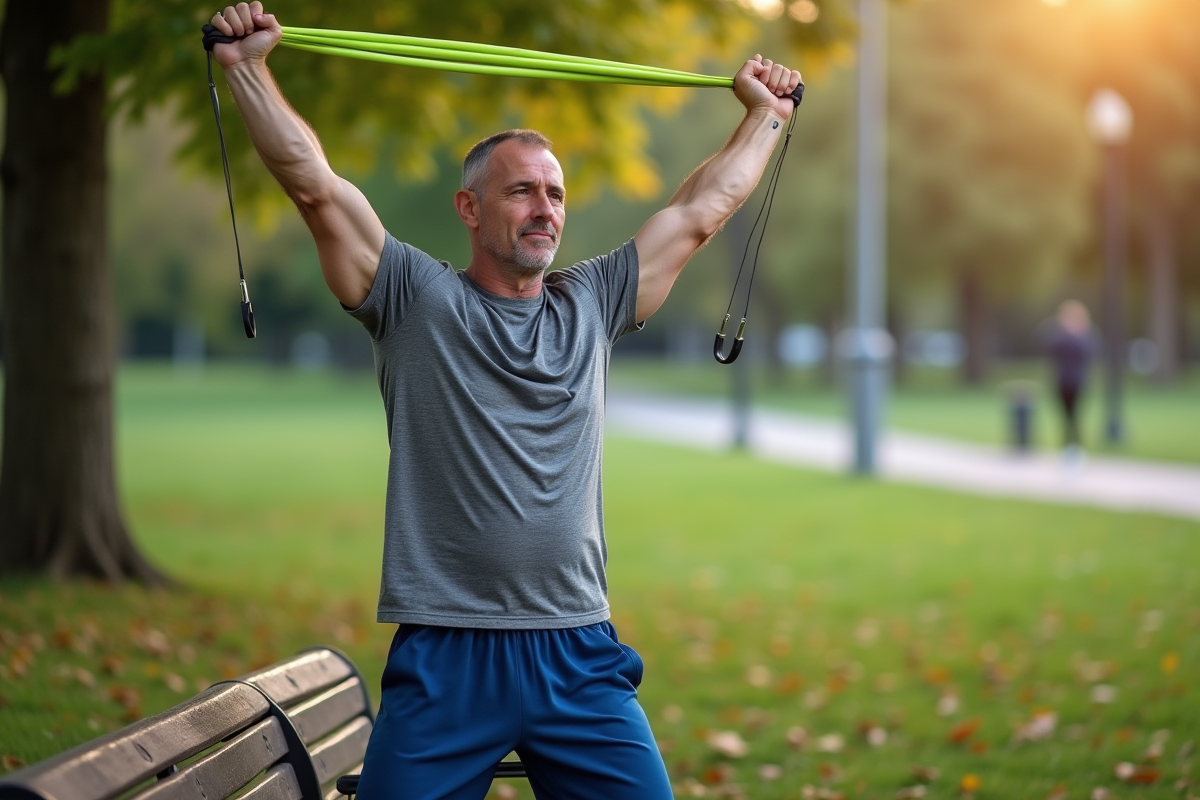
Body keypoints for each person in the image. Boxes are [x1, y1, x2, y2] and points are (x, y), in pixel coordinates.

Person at [208, 4, 803, 798]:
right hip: (449, 653)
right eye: (521, 191)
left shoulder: (592, 301)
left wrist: (766, 117)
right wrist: (247, 69)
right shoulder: (414, 298)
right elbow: (316, 188)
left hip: (578, 654)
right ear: (470, 209)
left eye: (554, 193)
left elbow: (699, 211)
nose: (545, 209)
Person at [1047, 299, 1095, 458]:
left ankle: (1076, 447)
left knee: (1075, 416)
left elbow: (1089, 353)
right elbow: (1050, 349)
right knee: (1064, 417)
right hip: (1061, 382)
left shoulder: (1084, 336)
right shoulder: (1058, 336)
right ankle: (1067, 446)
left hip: (1078, 382)